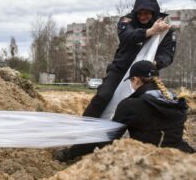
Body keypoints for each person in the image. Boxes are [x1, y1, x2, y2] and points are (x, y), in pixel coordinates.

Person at [55, 61, 194, 161]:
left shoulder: (130, 105)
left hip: (148, 162)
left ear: (135, 80)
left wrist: (69, 153)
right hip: (180, 159)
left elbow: (107, 140)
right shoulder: (178, 101)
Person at [83, 0, 176, 118]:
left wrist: (156, 63)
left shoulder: (166, 30)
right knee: (103, 96)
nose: (142, 17)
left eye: (146, 13)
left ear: (154, 12)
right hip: (120, 69)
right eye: (140, 13)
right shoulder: (127, 20)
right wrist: (151, 31)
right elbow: (126, 37)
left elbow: (167, 54)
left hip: (146, 74)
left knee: (148, 103)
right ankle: (86, 124)